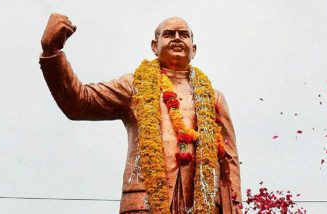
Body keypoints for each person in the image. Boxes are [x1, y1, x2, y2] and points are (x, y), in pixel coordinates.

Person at [39, 13, 242, 214]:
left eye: (183, 34)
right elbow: (79, 102)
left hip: (203, 204)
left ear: (194, 49)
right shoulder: (134, 86)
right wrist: (52, 52)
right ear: (154, 46)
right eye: (169, 34)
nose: (177, 38)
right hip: (144, 201)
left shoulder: (214, 98)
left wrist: (235, 206)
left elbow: (229, 158)